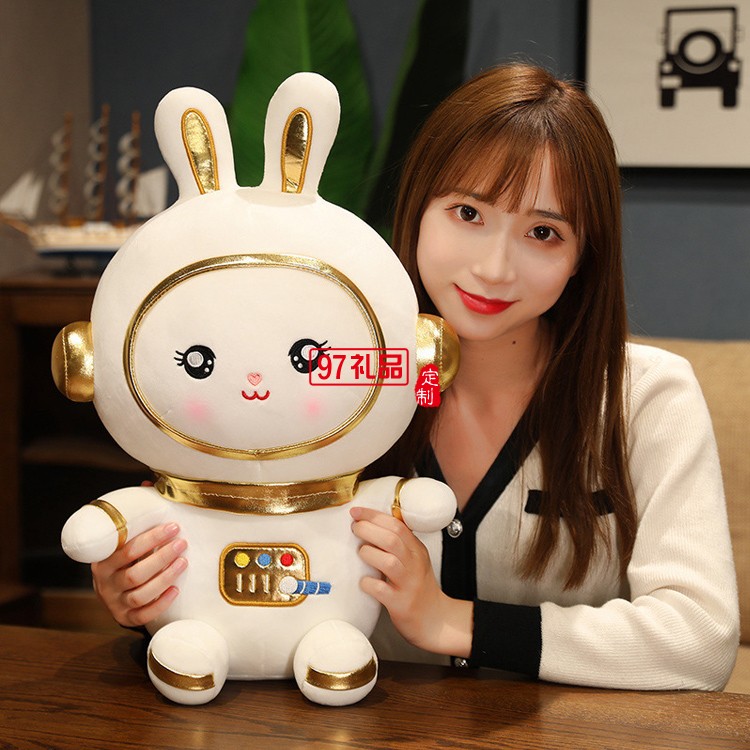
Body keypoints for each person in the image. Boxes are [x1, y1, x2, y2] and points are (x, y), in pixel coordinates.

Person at [91, 63, 739, 690]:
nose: (494, 268)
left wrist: (455, 622)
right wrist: (145, 598)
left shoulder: (645, 396)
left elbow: (700, 640)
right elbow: (240, 565)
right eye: (468, 213)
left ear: (582, 256)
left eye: (543, 232)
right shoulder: (323, 380)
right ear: (419, 207)